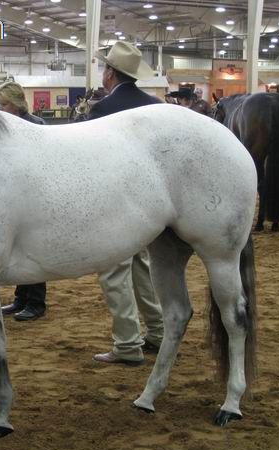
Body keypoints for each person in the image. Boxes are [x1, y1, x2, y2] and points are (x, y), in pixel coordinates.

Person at [77, 41, 164, 365]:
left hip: (114, 203)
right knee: (143, 268)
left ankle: (127, 344)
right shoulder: (154, 106)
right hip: (149, 205)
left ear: (110, 73)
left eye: (103, 68)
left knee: (115, 272)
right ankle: (158, 331)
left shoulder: (101, 109)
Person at [0, 81, 48, 322]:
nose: (0, 108)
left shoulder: (35, 125)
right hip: (16, 194)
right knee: (21, 251)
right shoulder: (7, 125)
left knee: (35, 249)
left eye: (3, 104)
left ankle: (36, 302)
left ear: (15, 104)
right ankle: (21, 298)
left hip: (35, 195)